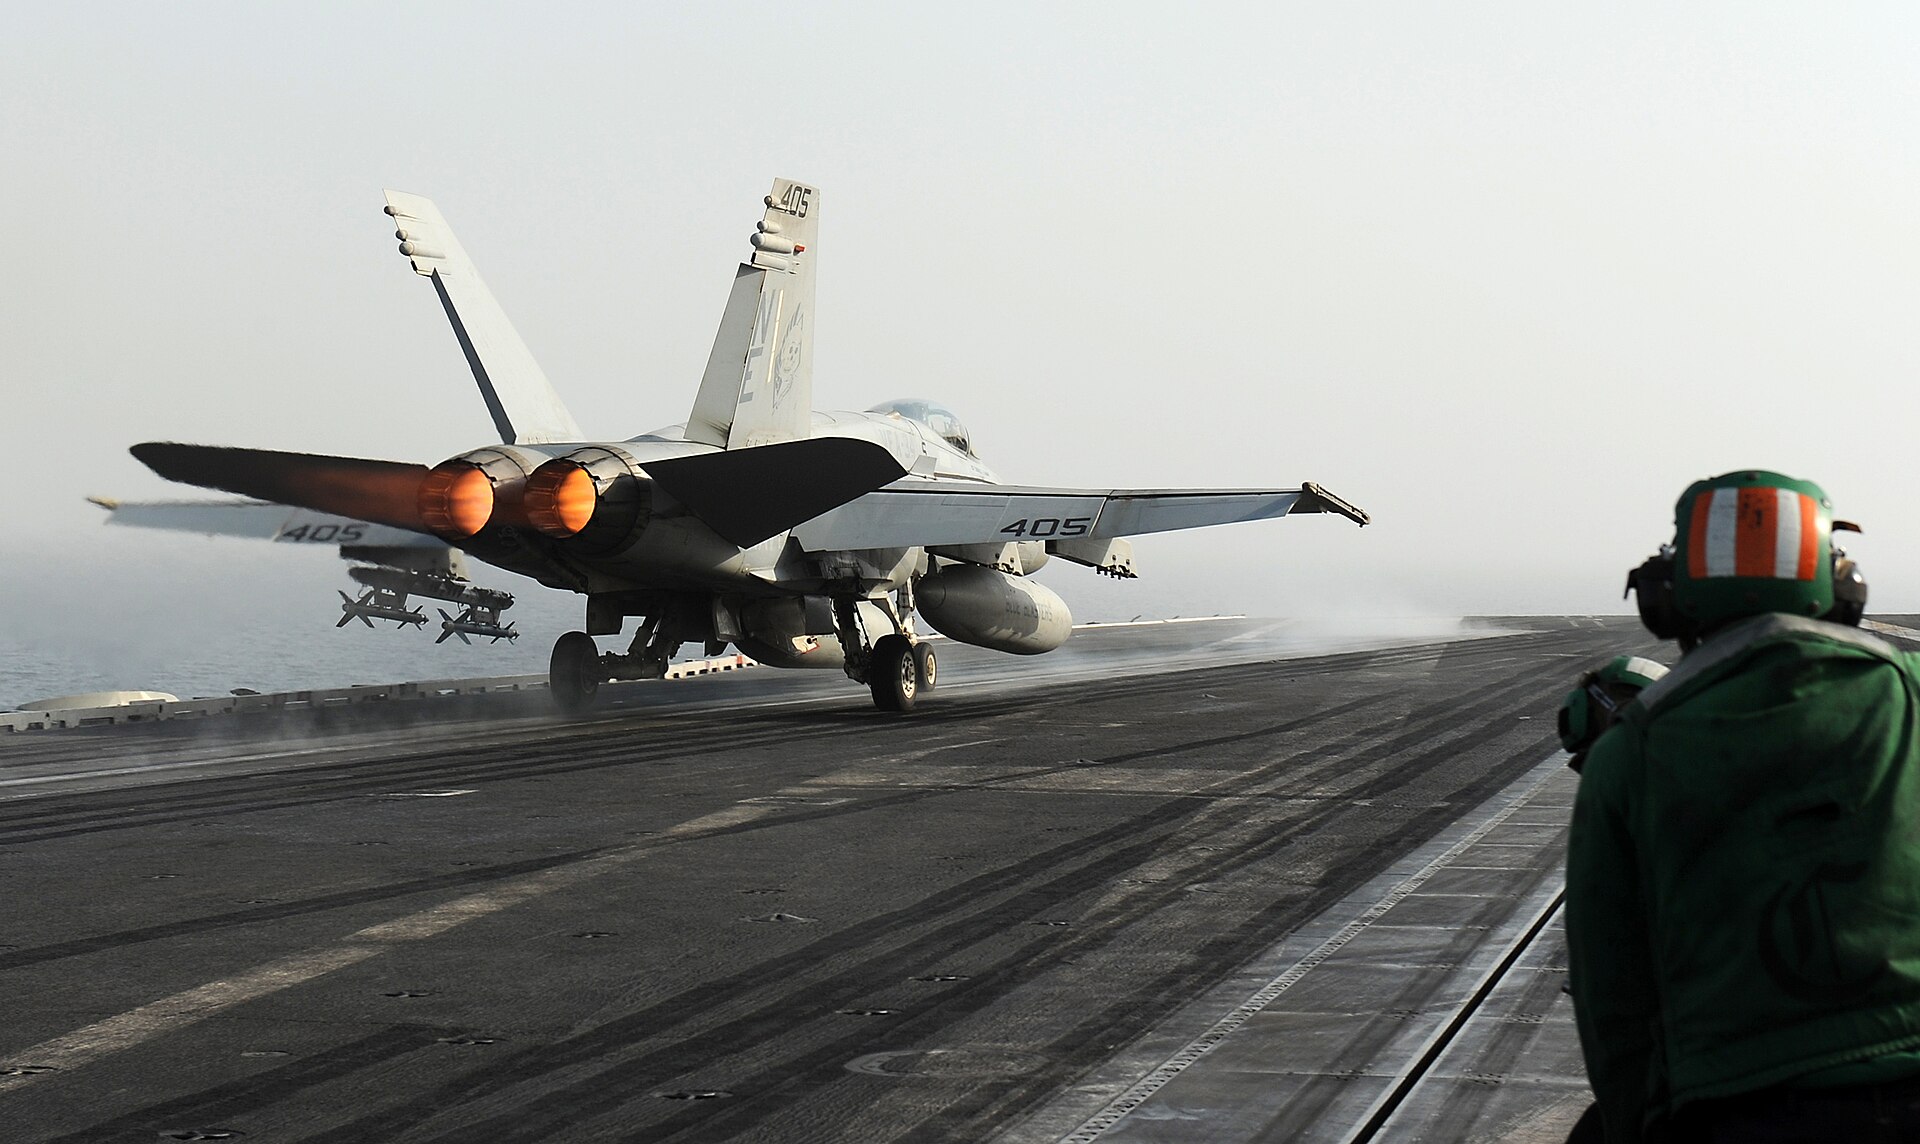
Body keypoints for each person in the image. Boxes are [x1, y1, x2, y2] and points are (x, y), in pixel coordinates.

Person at [1566, 469, 1920, 1142]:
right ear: (1843, 587)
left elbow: (1612, 997)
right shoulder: (1910, 693)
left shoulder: (1626, 758)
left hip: (1738, 1106)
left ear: (1667, 601)